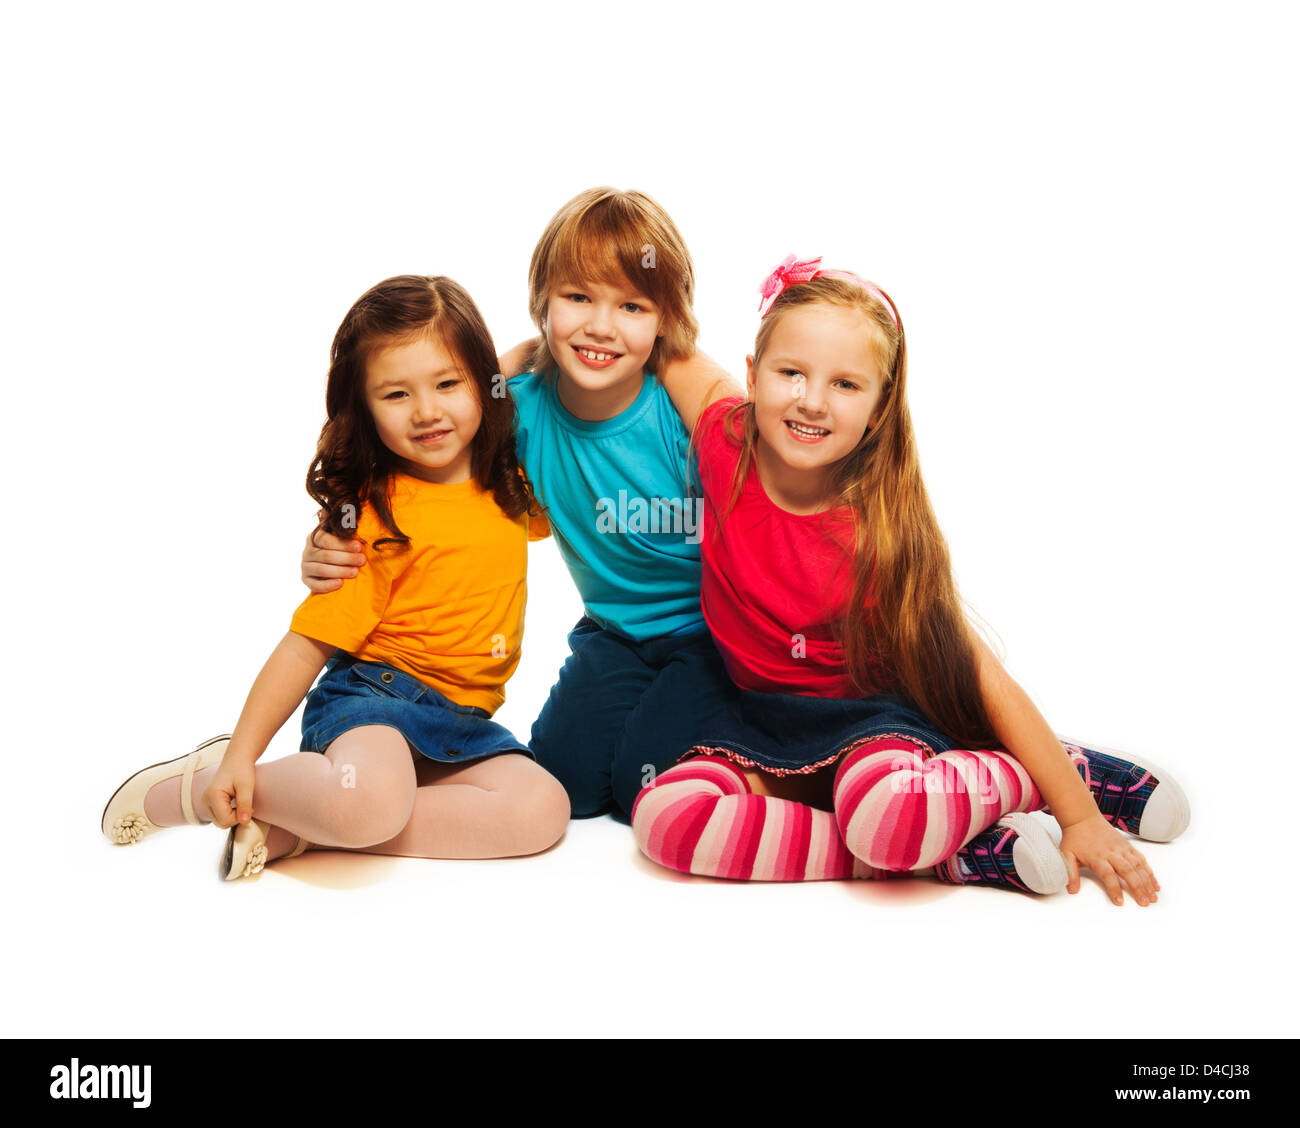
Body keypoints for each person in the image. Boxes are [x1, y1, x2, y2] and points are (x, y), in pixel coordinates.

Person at [633, 257, 1189, 903]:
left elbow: (981, 675)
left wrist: (1079, 818)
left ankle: (1048, 775)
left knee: (885, 814)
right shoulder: (723, 435)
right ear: (754, 376)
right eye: (791, 373)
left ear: (878, 409)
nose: (811, 400)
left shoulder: (877, 536)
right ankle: (952, 856)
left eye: (845, 384)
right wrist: (528, 357)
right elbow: (664, 345)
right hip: (758, 719)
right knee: (667, 818)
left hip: (873, 723)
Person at [101, 275, 569, 879]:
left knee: (542, 810)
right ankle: (206, 785)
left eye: (448, 384)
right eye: (396, 395)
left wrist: (554, 340)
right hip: (374, 702)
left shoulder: (510, 484)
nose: (428, 411)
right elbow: (307, 645)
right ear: (364, 409)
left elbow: (510, 371)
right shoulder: (375, 519)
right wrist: (246, 750)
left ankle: (298, 833)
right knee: (367, 801)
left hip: (460, 721)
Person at [302, 188, 741, 821]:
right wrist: (333, 530)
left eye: (632, 305)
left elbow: (761, 475)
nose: (600, 325)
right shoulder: (518, 408)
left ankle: (743, 749)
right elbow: (424, 437)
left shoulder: (679, 407)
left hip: (709, 634)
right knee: (570, 788)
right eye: (578, 297)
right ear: (542, 304)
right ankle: (362, 807)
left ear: (664, 320)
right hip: (613, 636)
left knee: (640, 790)